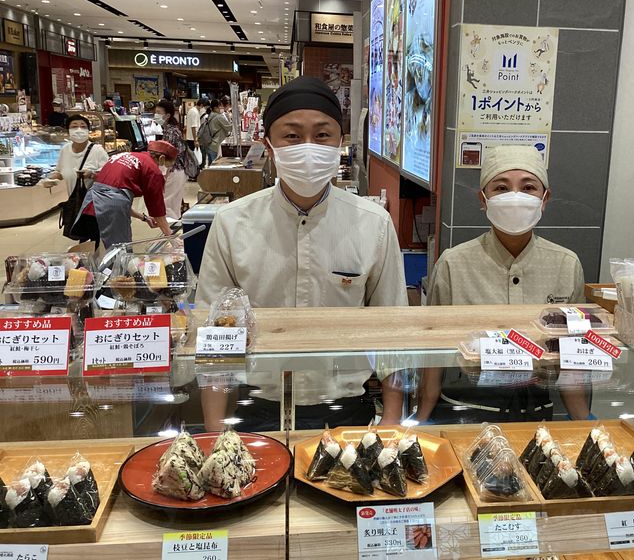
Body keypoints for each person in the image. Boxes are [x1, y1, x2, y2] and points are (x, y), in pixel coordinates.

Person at [197, 76, 407, 429]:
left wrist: (391, 421)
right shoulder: (232, 223)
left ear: (340, 143)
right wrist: (215, 431)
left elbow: (393, 328)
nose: (308, 147)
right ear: (268, 145)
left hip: (346, 408)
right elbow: (213, 333)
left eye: (322, 135)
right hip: (257, 406)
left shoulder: (374, 224)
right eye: (292, 136)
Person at [420, 145, 590, 424]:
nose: (515, 196)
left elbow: (572, 358)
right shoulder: (453, 263)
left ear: (544, 199)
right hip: (465, 405)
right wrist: (422, 418)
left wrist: (584, 420)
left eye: (528, 187)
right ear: (483, 199)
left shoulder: (566, 264)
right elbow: (433, 350)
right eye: (501, 188)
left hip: (535, 409)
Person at [71, 140, 177, 249]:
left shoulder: (125, 155)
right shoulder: (152, 169)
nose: (164, 168)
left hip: (90, 205)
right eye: (166, 165)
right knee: (119, 251)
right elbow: (157, 210)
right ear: (161, 158)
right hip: (110, 211)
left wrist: (144, 218)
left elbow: (117, 198)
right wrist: (171, 237)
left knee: (97, 249)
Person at [43, 114, 109, 196]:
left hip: (93, 200)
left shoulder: (98, 150)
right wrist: (51, 179)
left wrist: (92, 174)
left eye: (83, 127)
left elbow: (109, 175)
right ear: (68, 131)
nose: (79, 130)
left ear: (88, 131)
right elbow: (60, 172)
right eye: (74, 127)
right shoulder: (65, 149)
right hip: (73, 199)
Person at [154, 99, 188, 220]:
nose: (156, 115)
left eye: (159, 113)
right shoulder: (169, 130)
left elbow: (171, 156)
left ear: (167, 115)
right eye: (155, 112)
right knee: (172, 204)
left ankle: (171, 230)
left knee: (168, 205)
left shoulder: (171, 132)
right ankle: (172, 229)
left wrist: (165, 173)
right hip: (175, 171)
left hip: (174, 171)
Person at [205, 99, 232, 164]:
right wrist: (229, 117)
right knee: (216, 166)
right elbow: (230, 128)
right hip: (216, 146)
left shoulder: (210, 115)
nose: (222, 108)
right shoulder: (219, 117)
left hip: (210, 144)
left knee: (211, 166)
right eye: (220, 106)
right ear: (215, 108)